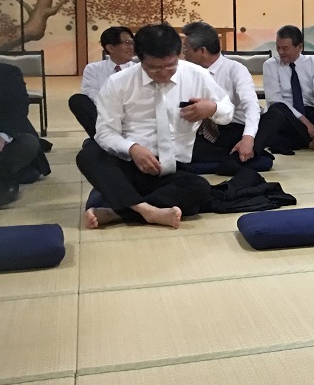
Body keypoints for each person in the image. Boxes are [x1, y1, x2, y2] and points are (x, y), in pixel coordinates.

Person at [77, 22, 233, 229]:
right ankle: (146, 210)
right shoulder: (118, 83)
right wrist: (132, 148)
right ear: (140, 59)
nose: (164, 73)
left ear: (179, 54)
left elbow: (227, 111)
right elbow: (105, 132)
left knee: (200, 188)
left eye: (171, 65)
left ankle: (118, 212)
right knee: (89, 156)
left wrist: (212, 108)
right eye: (155, 67)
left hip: (172, 168)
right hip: (130, 164)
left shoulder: (196, 75)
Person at [181, 21, 264, 171]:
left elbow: (251, 105)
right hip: (203, 130)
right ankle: (237, 159)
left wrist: (248, 138)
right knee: (180, 151)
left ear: (202, 51)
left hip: (234, 129)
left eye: (186, 48)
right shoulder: (188, 71)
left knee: (274, 115)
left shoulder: (235, 69)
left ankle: (240, 153)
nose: (184, 53)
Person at [257, 25, 314, 153]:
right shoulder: (270, 65)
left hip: (309, 110)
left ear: (299, 47)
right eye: (278, 47)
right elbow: (275, 99)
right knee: (276, 109)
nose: (280, 52)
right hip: (287, 117)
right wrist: (305, 122)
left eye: (285, 48)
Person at [0, 55, 50, 209]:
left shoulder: (7, 73)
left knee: (28, 143)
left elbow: (18, 109)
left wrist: (1, 136)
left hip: (4, 140)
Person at [69, 26, 136, 138]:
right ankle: (104, 138)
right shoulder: (93, 69)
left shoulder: (138, 69)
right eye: (127, 43)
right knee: (78, 100)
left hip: (131, 116)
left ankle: (105, 141)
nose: (131, 47)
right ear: (110, 48)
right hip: (103, 114)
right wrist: (110, 107)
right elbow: (91, 93)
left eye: (132, 43)